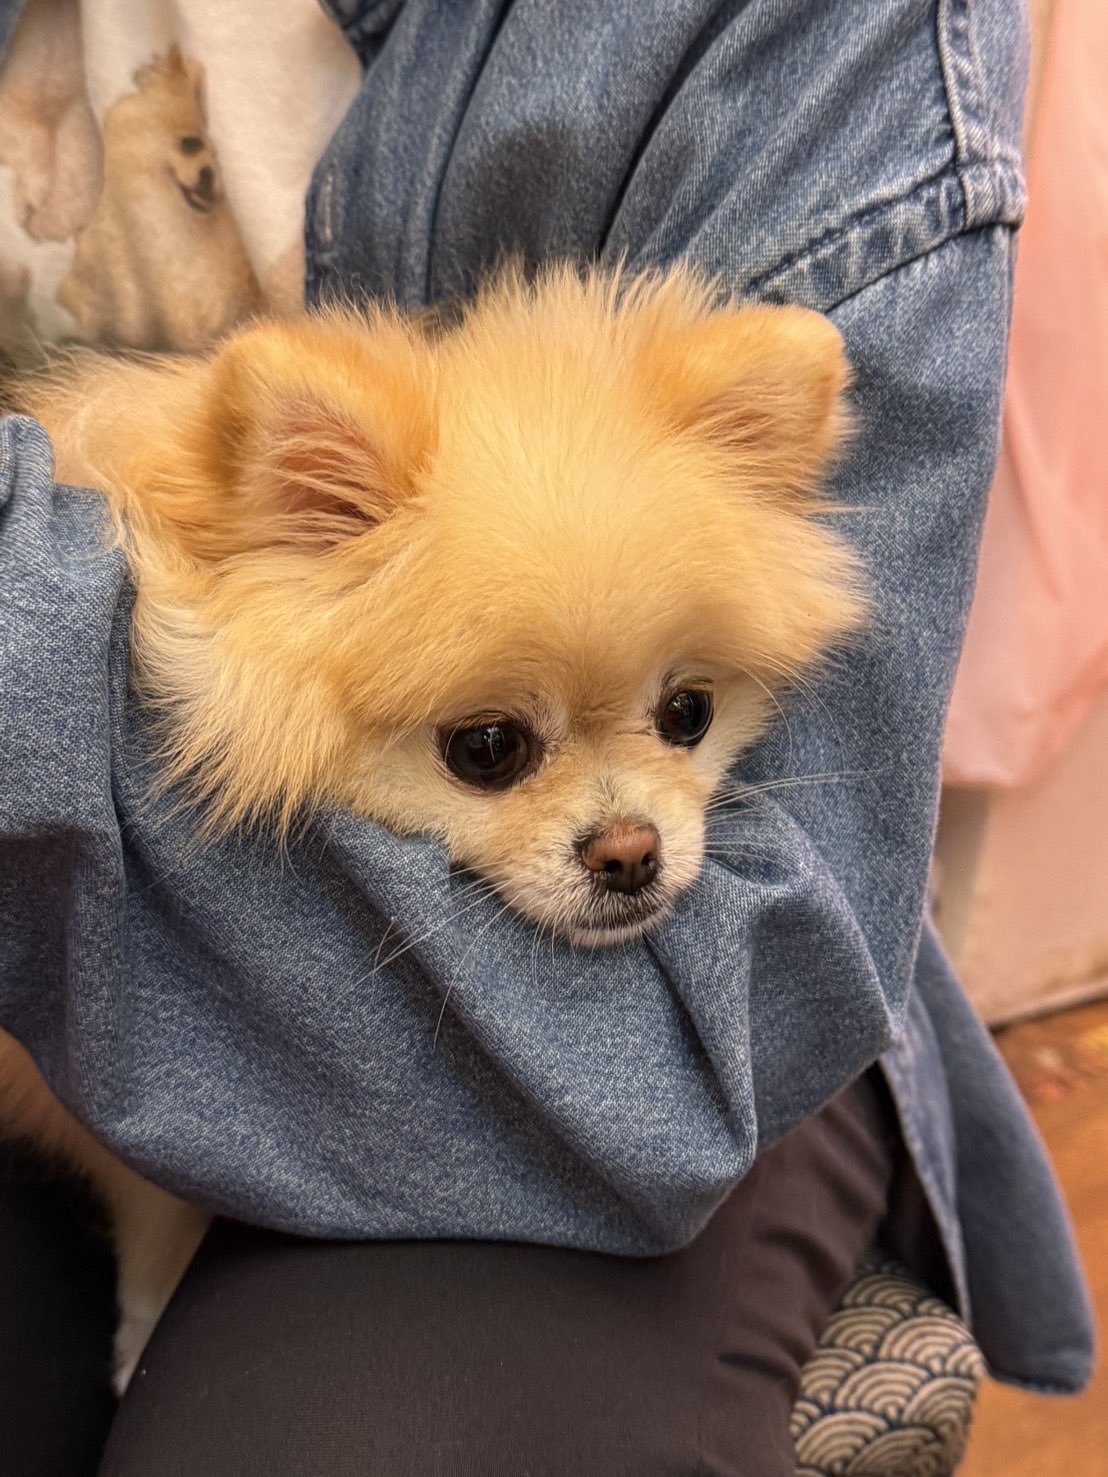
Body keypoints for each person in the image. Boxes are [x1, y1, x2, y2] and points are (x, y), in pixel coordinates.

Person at [0, 2, 1093, 1472]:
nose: (630, 831)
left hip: (689, 1046)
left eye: (685, 717)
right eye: (493, 749)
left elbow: (737, 995)